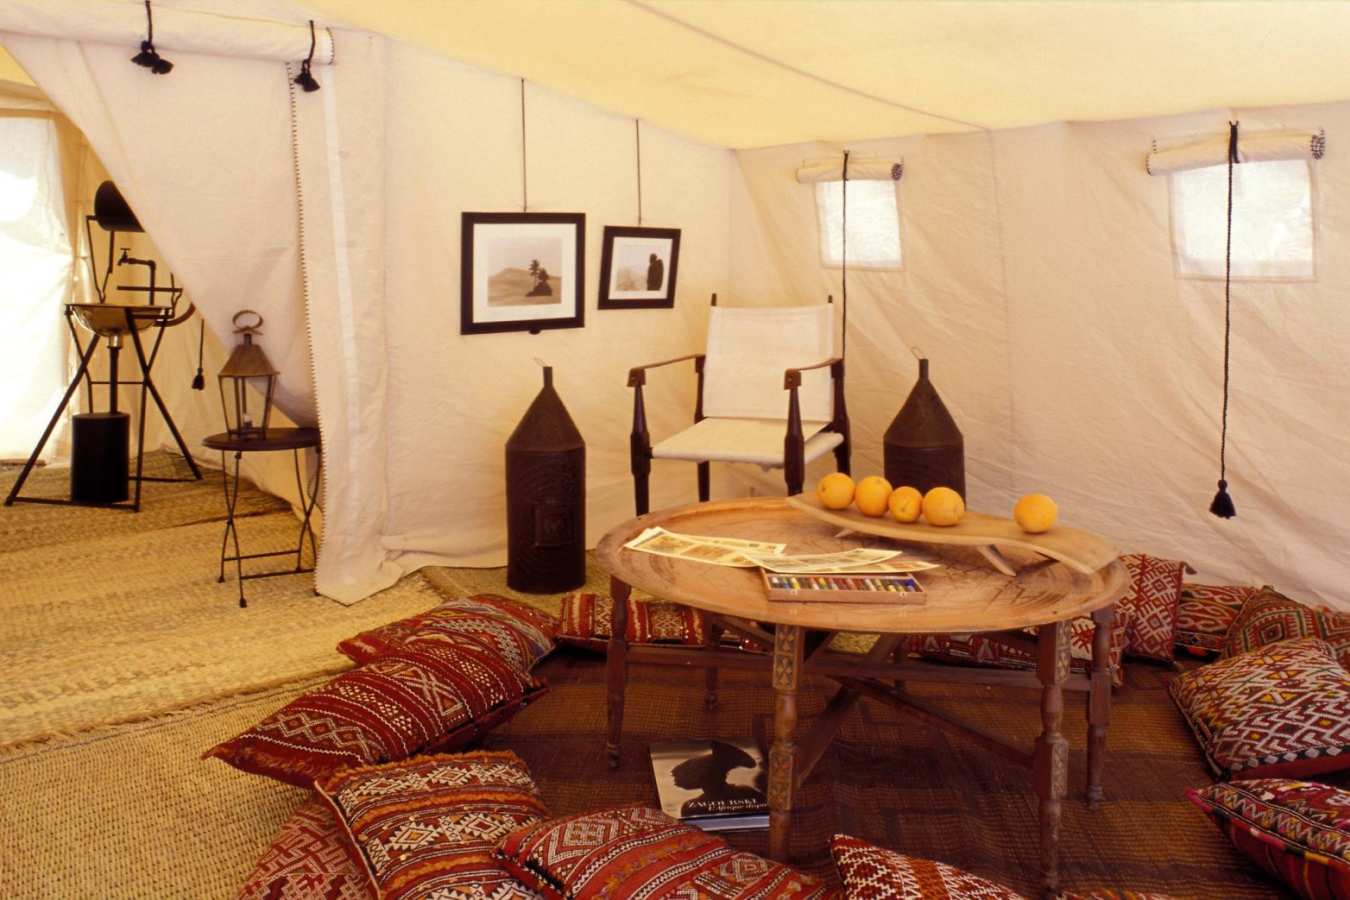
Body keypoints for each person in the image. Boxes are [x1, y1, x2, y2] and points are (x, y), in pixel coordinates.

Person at [669, 740, 764, 816]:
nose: (717, 777)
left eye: (716, 773)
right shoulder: (746, 792)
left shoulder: (690, 806)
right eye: (711, 775)